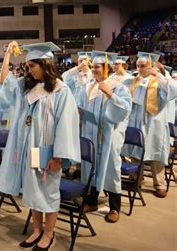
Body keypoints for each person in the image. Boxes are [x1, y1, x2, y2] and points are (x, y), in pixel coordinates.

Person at [0, 41, 81, 250]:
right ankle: (37, 230)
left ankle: (49, 234)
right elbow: (4, 84)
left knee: (48, 191)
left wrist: (59, 156)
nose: (29, 70)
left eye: (33, 66)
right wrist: (7, 54)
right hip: (27, 148)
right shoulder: (27, 88)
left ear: (45, 64)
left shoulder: (61, 91)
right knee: (32, 191)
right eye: (27, 66)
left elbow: (66, 125)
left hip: (47, 150)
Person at [75, 51, 132, 223]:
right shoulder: (89, 86)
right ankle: (92, 201)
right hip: (90, 131)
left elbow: (125, 109)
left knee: (111, 169)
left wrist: (110, 94)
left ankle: (115, 207)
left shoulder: (118, 86)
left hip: (109, 135)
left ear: (106, 68)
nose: (93, 70)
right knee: (90, 166)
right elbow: (80, 105)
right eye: (93, 67)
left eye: (97, 67)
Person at [121, 52, 177, 198]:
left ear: (151, 66)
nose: (140, 69)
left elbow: (173, 90)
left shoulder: (159, 81)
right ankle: (136, 179)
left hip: (154, 123)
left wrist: (158, 74)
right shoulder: (134, 81)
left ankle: (159, 184)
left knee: (156, 153)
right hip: (136, 122)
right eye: (138, 66)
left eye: (143, 66)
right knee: (135, 152)